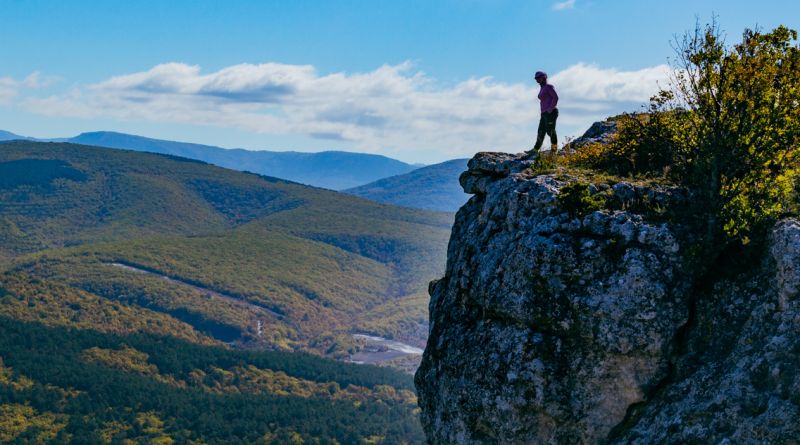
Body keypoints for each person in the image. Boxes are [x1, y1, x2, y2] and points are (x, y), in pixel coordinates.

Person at [525, 71, 559, 159]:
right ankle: (535, 150)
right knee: (541, 131)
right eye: (536, 78)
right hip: (544, 113)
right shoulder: (542, 88)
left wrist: (550, 109)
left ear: (544, 77)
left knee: (550, 131)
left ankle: (554, 150)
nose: (537, 80)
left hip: (551, 112)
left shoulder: (549, 87)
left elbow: (555, 97)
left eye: (539, 78)